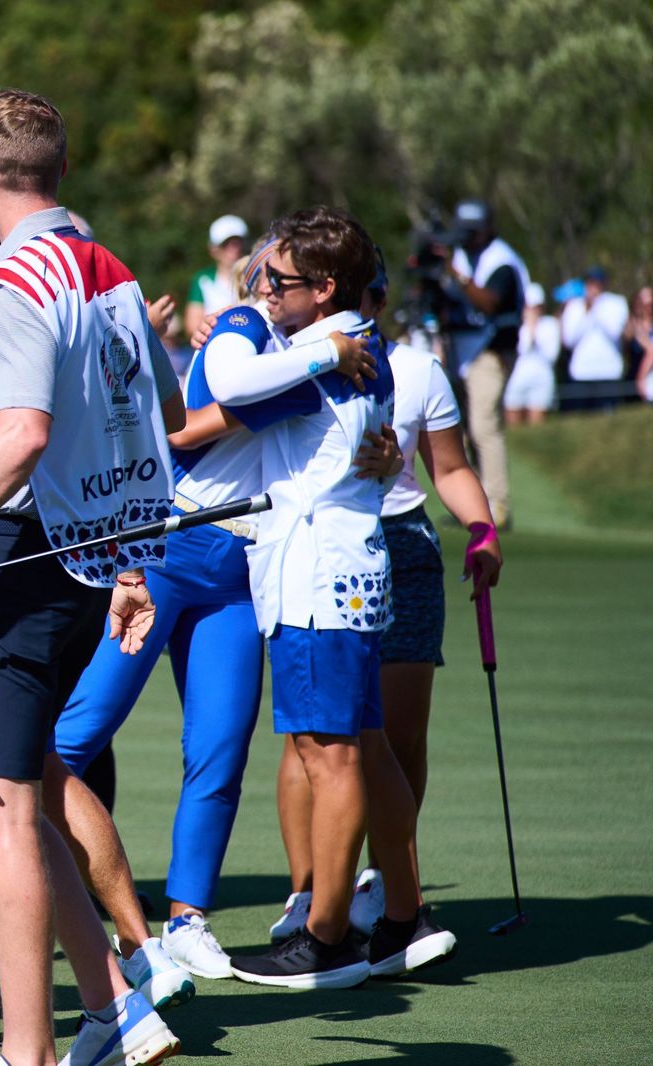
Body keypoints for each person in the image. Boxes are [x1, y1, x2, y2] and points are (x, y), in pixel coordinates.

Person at [0, 90, 183, 1066]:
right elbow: (152, 417)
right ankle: (111, 1014)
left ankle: (27, 1051)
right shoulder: (111, 270)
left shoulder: (13, 281)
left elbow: (24, 433)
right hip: (87, 564)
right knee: (25, 790)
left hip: (20, 558)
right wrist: (132, 562)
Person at [198, 207, 436, 990]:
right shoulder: (365, 347)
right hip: (347, 571)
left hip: (315, 580)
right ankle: (401, 915)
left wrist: (267, 330)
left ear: (325, 289)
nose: (267, 290)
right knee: (360, 743)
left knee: (325, 755)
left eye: (281, 281)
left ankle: (326, 936)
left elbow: (226, 387)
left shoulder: (324, 350)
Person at [274, 266, 498, 973]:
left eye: (364, 300)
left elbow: (450, 468)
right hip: (319, 552)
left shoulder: (417, 369)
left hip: (401, 548)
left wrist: (481, 528)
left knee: (392, 738)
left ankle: (386, 895)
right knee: (314, 741)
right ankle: (312, 893)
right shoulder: (299, 358)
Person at [443, 199, 528, 528]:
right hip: (461, 352)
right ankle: (471, 504)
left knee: (483, 426)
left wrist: (456, 276)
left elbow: (489, 303)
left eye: (472, 232)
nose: (467, 238)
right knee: (461, 429)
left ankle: (497, 506)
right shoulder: (464, 256)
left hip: (492, 352)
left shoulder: (502, 261)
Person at [560, 266, 630, 411]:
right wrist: (587, 312)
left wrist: (596, 307)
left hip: (609, 371)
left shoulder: (617, 303)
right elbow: (569, 340)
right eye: (590, 283)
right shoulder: (574, 306)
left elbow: (615, 332)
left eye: (596, 283)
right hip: (581, 372)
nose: (593, 287)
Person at [184, 214, 247, 341]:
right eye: (226, 244)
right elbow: (192, 326)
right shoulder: (203, 280)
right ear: (213, 249)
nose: (233, 249)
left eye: (237, 243)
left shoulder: (257, 279)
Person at [504, 282, 560, 425]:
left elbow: (551, 354)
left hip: (541, 379)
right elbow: (520, 349)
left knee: (537, 423)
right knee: (513, 421)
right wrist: (529, 328)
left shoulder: (550, 325)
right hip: (516, 378)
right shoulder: (516, 326)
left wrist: (533, 329)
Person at [628, 287, 653, 401]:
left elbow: (651, 351)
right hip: (632, 374)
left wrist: (641, 378)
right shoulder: (631, 324)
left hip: (648, 377)